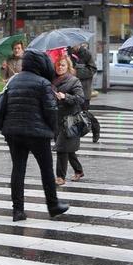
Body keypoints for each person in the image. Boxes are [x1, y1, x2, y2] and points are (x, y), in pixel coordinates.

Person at [0, 48, 70, 222]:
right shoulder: (42, 83)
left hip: (14, 132)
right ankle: (53, 205)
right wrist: (53, 131)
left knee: (18, 169)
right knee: (46, 170)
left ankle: (18, 210)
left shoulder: (13, 81)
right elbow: (50, 111)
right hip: (37, 134)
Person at [52, 54, 86, 185]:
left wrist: (65, 96)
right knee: (68, 149)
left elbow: (80, 99)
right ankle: (79, 170)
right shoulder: (52, 80)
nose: (60, 67)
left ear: (68, 66)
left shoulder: (73, 81)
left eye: (62, 65)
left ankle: (60, 177)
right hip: (56, 119)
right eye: (58, 65)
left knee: (61, 148)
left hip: (70, 120)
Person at [69, 43, 100, 143]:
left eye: (74, 44)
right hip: (71, 89)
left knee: (84, 114)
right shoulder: (68, 53)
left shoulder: (86, 54)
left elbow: (92, 69)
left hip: (84, 90)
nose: (72, 46)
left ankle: (95, 128)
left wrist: (77, 72)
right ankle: (71, 136)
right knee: (71, 114)